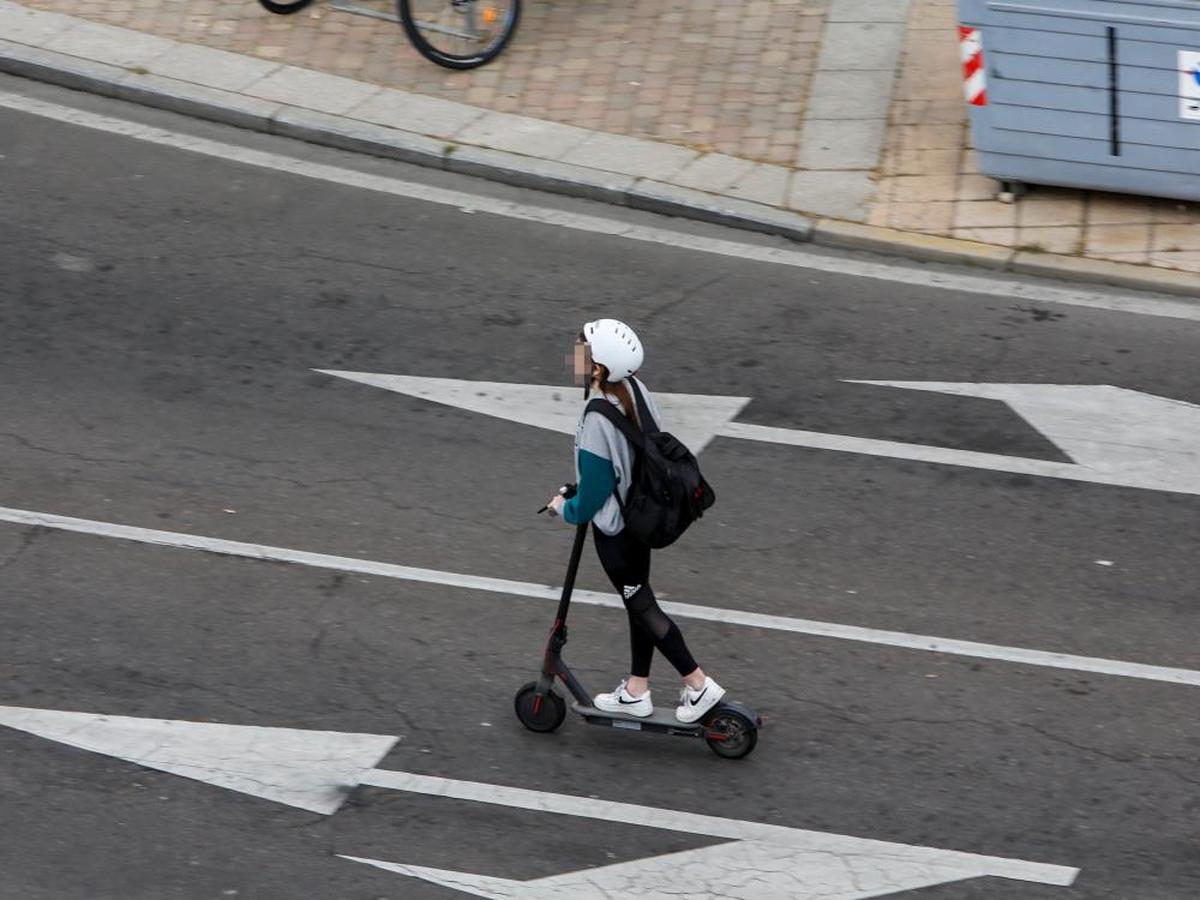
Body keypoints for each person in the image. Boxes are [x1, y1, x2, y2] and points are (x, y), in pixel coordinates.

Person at [546, 319, 725, 724]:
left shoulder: (596, 418)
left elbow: (593, 492)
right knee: (637, 600)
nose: (574, 353)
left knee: (642, 605)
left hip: (618, 533)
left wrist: (564, 507)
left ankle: (699, 685)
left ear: (598, 368)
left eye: (581, 350)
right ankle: (637, 689)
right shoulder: (635, 390)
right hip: (640, 519)